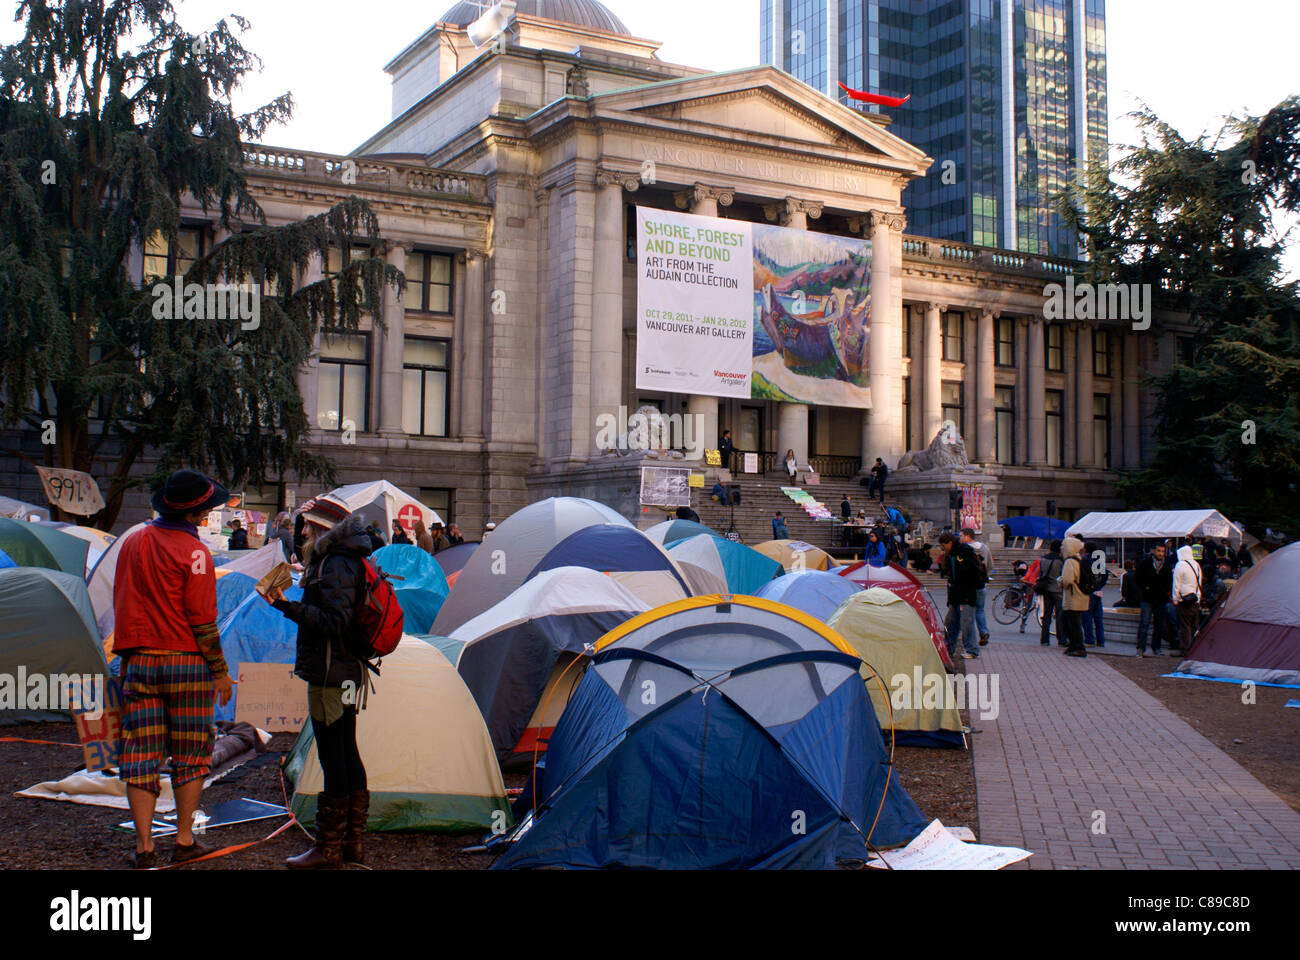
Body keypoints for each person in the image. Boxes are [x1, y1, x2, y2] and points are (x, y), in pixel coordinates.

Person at [115, 470, 234, 868]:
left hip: (140, 662)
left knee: (141, 753)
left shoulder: (132, 541)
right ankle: (184, 839)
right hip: (186, 665)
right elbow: (202, 620)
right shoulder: (196, 554)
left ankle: (144, 848)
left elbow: (121, 603)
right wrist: (219, 670)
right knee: (190, 753)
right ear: (196, 513)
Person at [267, 497, 372, 869]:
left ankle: (328, 849)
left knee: (334, 755)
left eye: (309, 525)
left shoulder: (336, 562)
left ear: (325, 528)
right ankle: (351, 844)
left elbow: (333, 622)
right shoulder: (346, 557)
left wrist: (285, 605)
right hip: (345, 669)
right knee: (345, 749)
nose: (304, 531)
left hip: (332, 672)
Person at [938, 533, 981, 660]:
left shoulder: (965, 551)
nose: (942, 548)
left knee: (966, 622)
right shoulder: (950, 554)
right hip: (955, 594)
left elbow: (973, 572)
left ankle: (972, 650)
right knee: (950, 622)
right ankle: (948, 648)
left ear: (950, 543)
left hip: (966, 594)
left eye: (943, 545)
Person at [1134, 543, 1172, 658]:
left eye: (1162, 551)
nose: (1160, 553)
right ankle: (1141, 648)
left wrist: (1165, 590)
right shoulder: (1145, 563)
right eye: (1159, 551)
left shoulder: (1166, 565)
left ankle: (1156, 647)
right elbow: (1137, 578)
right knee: (1144, 623)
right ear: (1153, 551)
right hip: (1147, 598)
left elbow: (1170, 580)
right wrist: (1145, 587)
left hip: (1161, 599)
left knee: (1159, 625)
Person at [960, 528, 994, 646]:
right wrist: (985, 575)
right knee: (980, 610)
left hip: (968, 584)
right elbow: (990, 565)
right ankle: (984, 631)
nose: (960, 538)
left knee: (968, 612)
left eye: (961, 536)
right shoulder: (984, 548)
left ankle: (970, 639)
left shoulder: (964, 549)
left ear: (967, 536)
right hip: (981, 583)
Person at [1058, 536, 1090, 658]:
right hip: (1080, 596)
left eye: (1063, 545)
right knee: (1072, 622)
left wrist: (1060, 581)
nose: (1062, 548)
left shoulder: (1069, 561)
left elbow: (1067, 580)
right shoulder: (1078, 559)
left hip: (1073, 597)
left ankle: (1078, 647)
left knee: (1072, 624)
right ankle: (1074, 646)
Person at [1172, 544, 1203, 656]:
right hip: (1194, 599)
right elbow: (1199, 583)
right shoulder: (1197, 565)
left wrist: (1175, 599)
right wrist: (1198, 599)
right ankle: (1195, 649)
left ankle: (1186, 649)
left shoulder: (1180, 565)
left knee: (1184, 626)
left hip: (1184, 600)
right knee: (1194, 626)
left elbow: (1176, 584)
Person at [1037, 539, 1065, 647]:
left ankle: (1044, 639)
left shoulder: (1043, 559)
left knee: (1046, 614)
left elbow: (1041, 573)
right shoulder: (1060, 560)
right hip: (1057, 590)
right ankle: (1061, 639)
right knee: (1059, 615)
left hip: (1046, 588)